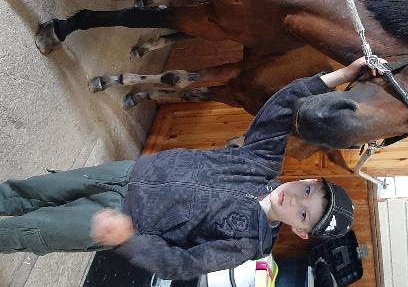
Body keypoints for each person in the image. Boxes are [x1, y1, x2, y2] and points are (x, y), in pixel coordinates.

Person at [0, 57, 382, 280]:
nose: (295, 199)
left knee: (27, 231)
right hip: (129, 174)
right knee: (30, 191)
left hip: (124, 219)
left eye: (303, 213)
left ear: (299, 230)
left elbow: (180, 264)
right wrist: (342, 76)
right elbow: (283, 106)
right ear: (309, 179)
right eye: (307, 191)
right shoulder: (262, 162)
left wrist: (127, 239)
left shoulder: (245, 245)